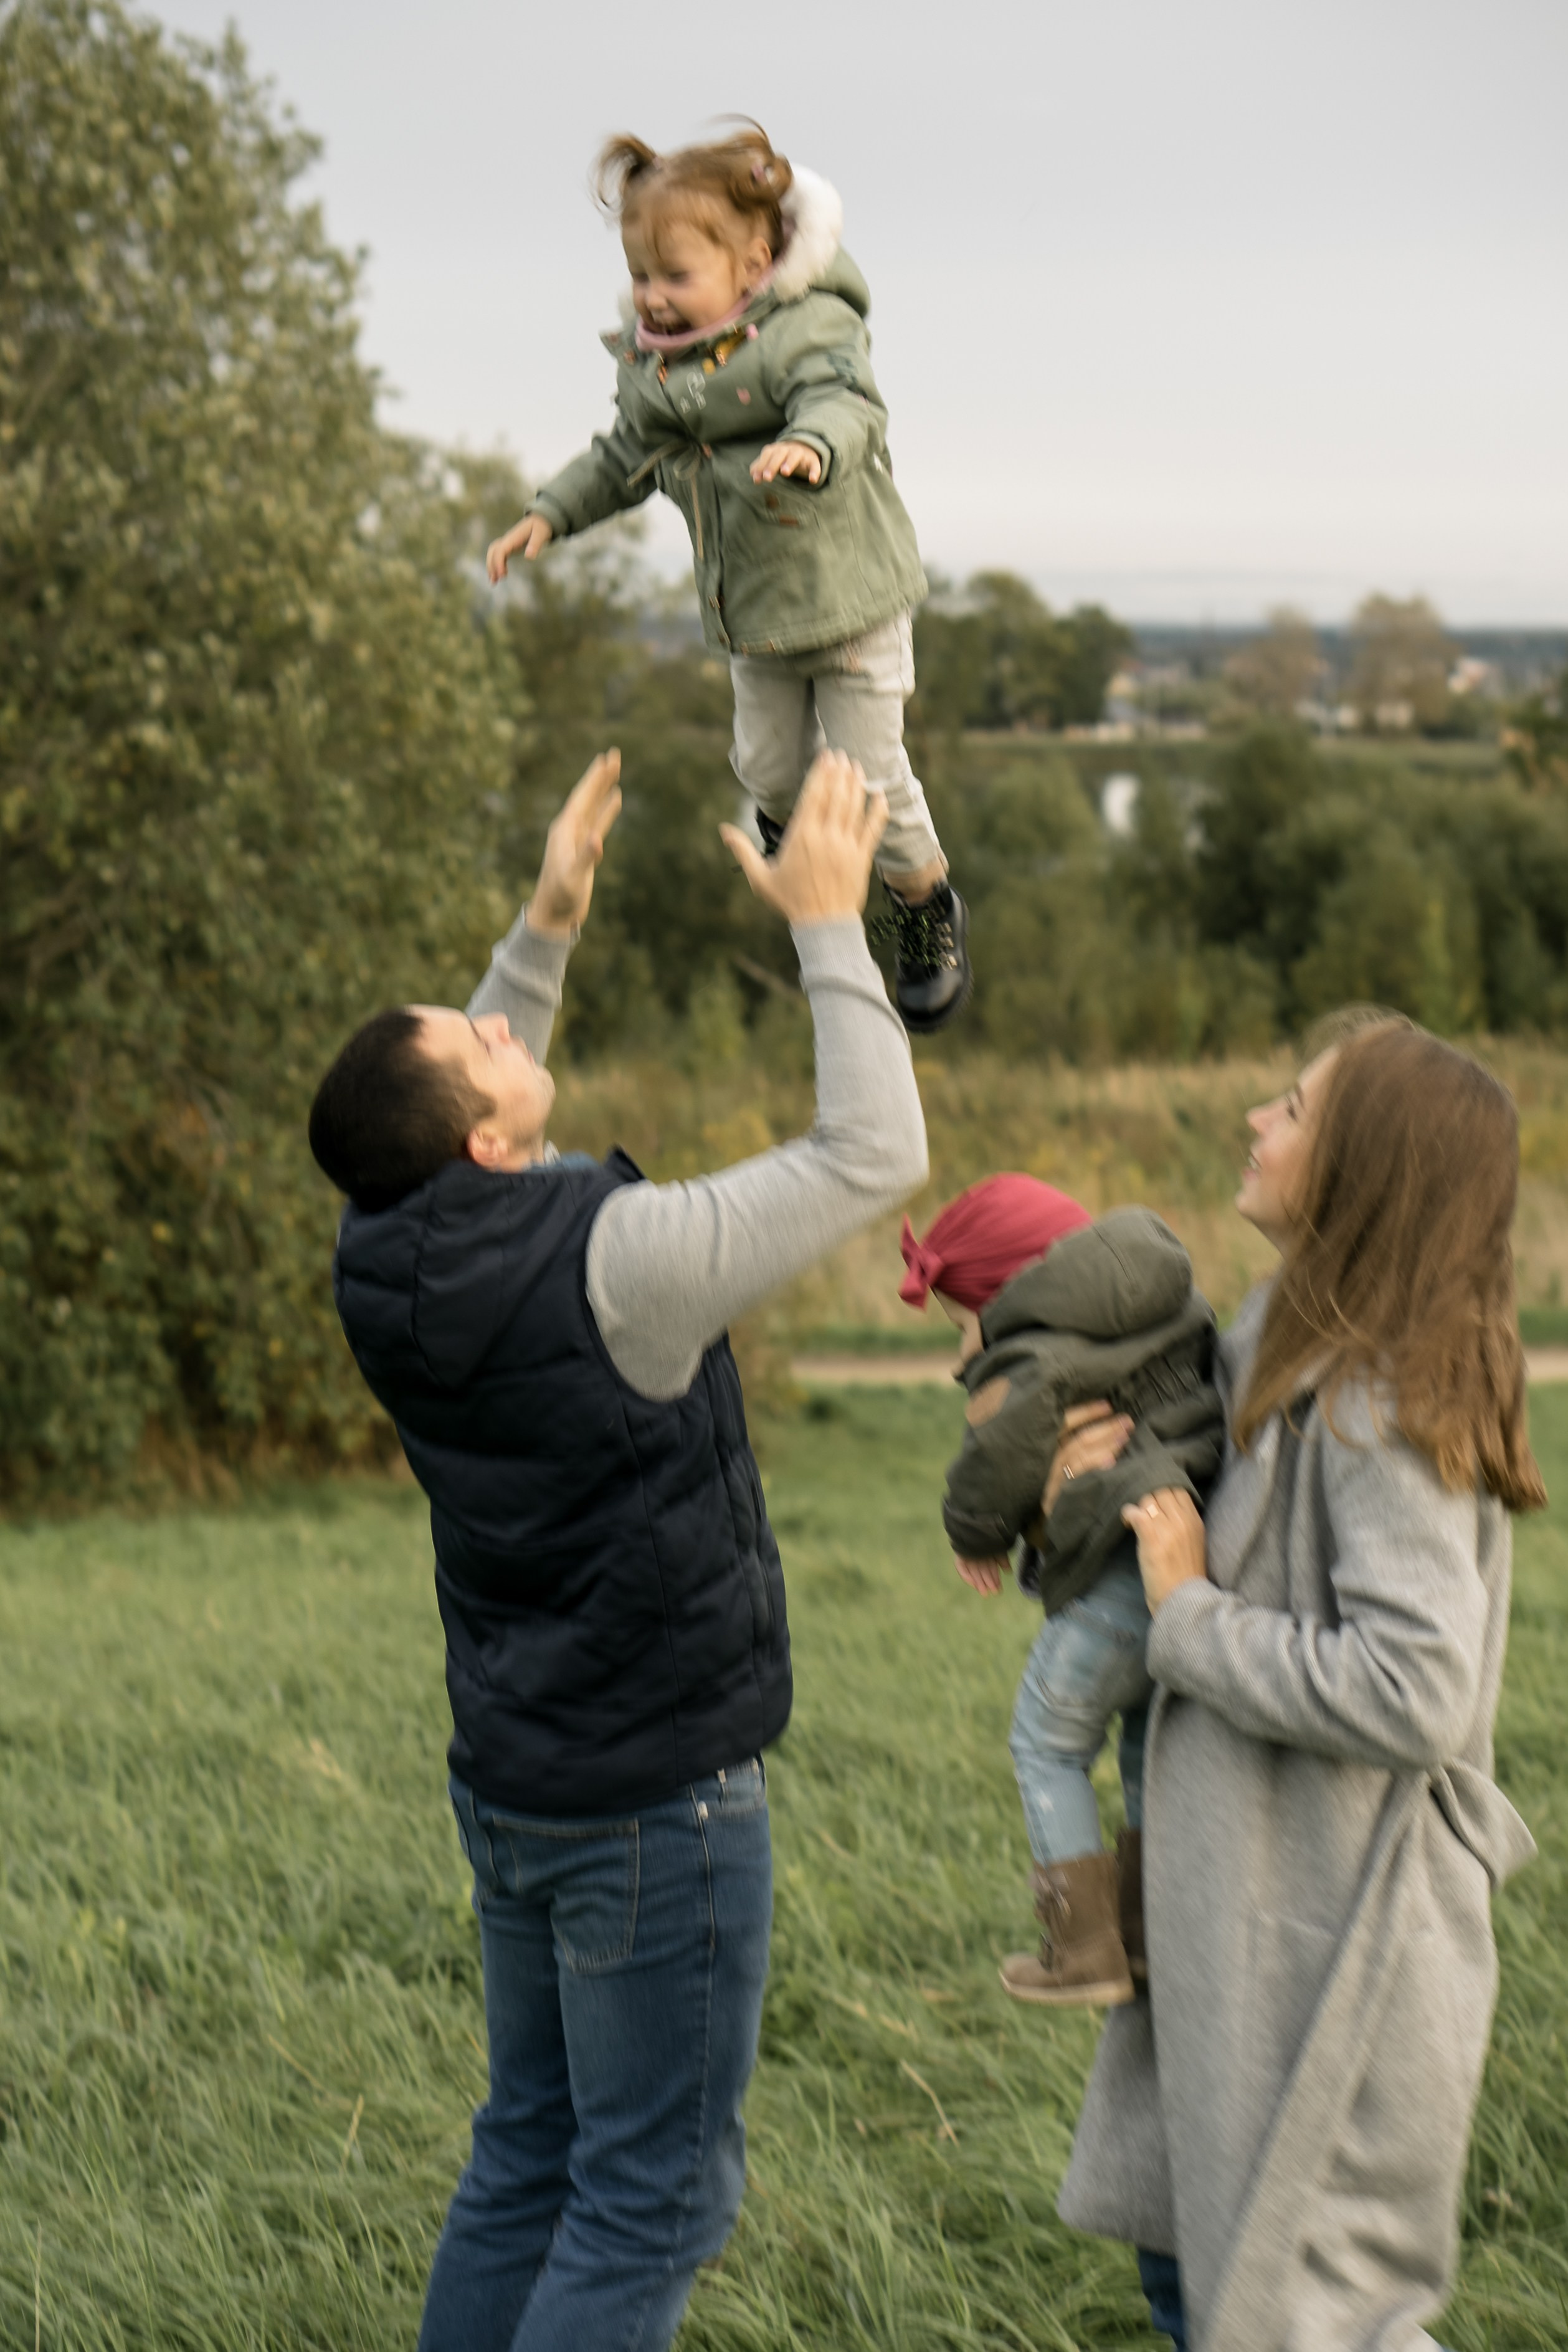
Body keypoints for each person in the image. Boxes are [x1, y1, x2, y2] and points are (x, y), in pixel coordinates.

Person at [306, 747, 927, 2352]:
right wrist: (829, 928)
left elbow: (441, 1121)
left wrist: (548, 920)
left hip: (516, 1776)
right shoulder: (624, 1264)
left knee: (528, 2152)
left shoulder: (381, 1253)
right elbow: (872, 1156)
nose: (499, 1020)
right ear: (489, 1150)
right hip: (654, 1803)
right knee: (651, 2196)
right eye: (482, 1036)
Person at [1052, 1012, 1542, 2352]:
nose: (1255, 1120)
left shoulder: (1375, 1397)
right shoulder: (1276, 1352)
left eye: (1290, 1106)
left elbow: (1413, 1687)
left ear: (1362, 1169)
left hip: (1337, 1949)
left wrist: (1187, 1615)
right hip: (1244, 1922)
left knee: (1313, 2319)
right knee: (1206, 2288)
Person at [483, 122, 971, 1036]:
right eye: (640, 276)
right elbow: (622, 457)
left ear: (754, 262)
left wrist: (809, 444)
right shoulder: (654, 371)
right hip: (752, 613)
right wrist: (547, 513)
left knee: (864, 776)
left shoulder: (806, 330)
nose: (653, 299)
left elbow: (846, 401)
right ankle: (804, 863)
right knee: (763, 770)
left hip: (852, 602)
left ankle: (923, 900)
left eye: (675, 276)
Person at [898, 1177, 1223, 2007]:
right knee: (1146, 1745)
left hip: (1109, 1572)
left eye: (962, 1323)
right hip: (1180, 1567)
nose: (961, 1350)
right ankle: (1148, 1935)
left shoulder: (1028, 1352)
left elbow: (995, 1459)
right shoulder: (1173, 1307)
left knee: (1047, 1741)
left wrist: (974, 1534)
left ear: (1003, 1295)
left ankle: (1079, 1948)